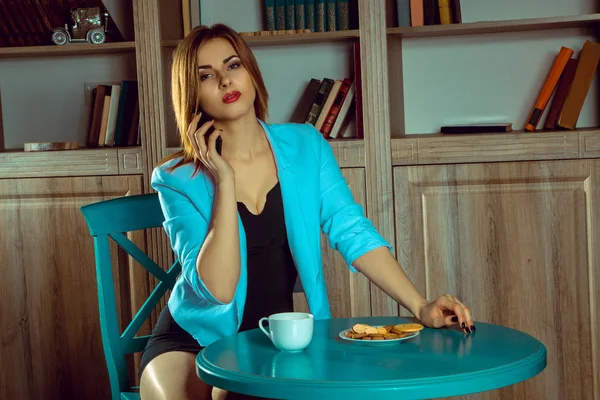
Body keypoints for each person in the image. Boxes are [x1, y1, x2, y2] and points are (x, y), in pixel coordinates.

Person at [139, 23, 475, 400]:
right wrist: (224, 180)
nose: (224, 80)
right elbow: (217, 290)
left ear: (250, 72)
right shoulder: (175, 179)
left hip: (273, 339)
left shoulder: (306, 146)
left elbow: (351, 230)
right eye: (206, 75)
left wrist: (420, 305)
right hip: (193, 337)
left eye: (233, 65)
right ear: (192, 95)